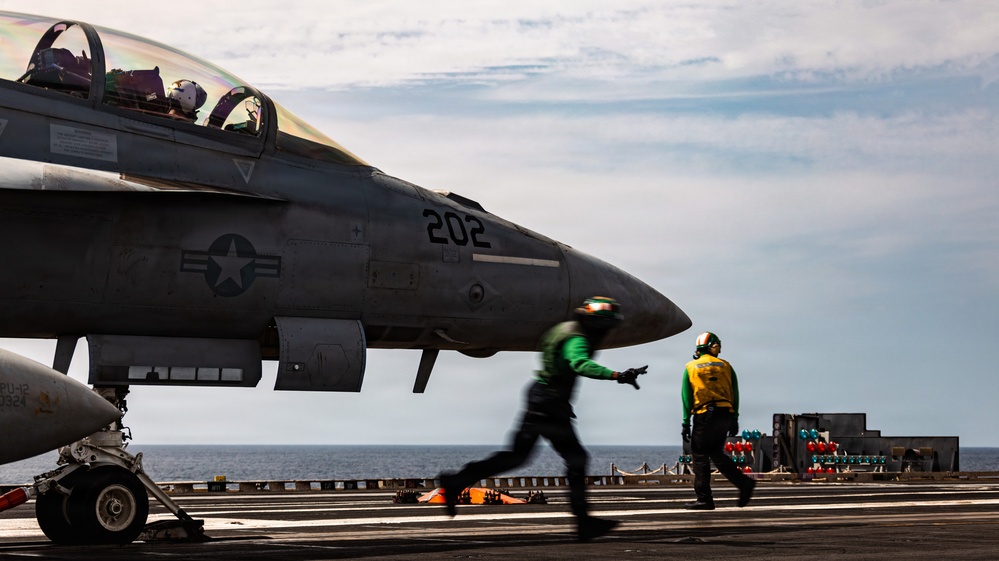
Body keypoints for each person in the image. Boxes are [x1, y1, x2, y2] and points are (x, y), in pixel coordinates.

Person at [440, 296, 647, 542]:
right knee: (576, 459)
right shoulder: (577, 338)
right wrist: (617, 375)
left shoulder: (564, 329)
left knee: (516, 456)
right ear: (597, 324)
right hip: (549, 403)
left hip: (542, 396)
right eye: (607, 326)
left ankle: (455, 481)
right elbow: (580, 363)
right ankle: (583, 522)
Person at [680, 331, 755, 510]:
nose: (719, 348)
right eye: (718, 345)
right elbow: (735, 393)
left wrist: (685, 422)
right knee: (716, 452)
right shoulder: (726, 366)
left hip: (705, 414)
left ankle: (704, 498)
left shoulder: (691, 367)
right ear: (712, 346)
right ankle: (743, 483)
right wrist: (735, 417)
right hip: (725, 414)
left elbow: (686, 397)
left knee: (699, 455)